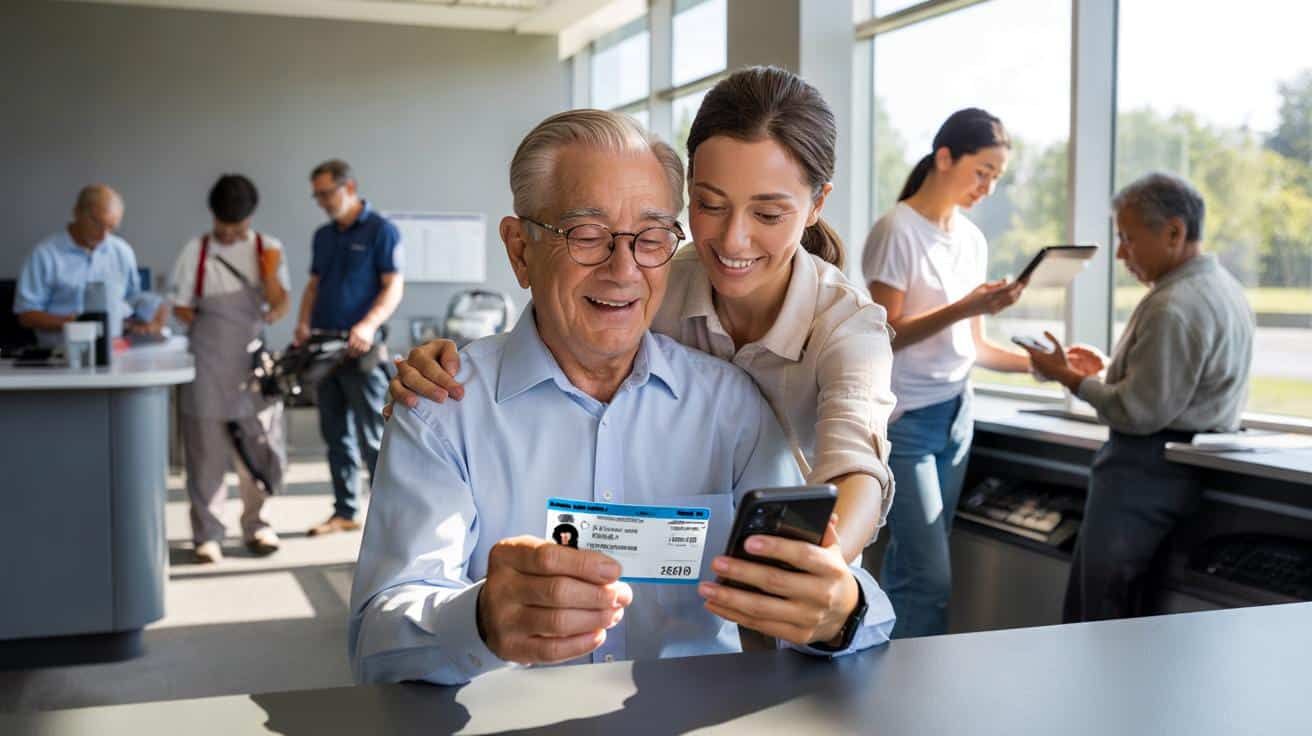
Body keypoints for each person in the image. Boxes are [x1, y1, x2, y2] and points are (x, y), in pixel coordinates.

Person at [349, 109, 894, 685]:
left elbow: (841, 589)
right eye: (586, 236)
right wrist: (477, 620)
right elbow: (377, 637)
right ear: (519, 249)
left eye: (652, 238)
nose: (624, 269)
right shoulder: (444, 409)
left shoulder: (733, 410)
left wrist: (838, 610)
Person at [389, 66, 896, 568]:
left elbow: (856, 466)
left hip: (799, 544)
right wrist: (453, 374)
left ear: (816, 205)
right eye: (709, 204)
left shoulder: (846, 328)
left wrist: (825, 569)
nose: (732, 239)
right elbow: (561, 306)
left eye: (767, 215)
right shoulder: (656, 269)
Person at [1021, 172, 1254, 622]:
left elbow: (1139, 410)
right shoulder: (1225, 290)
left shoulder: (1174, 305)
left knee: (1101, 611)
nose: (1121, 253)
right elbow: (1180, 388)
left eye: (1128, 238)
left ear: (1173, 232)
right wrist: (1109, 371)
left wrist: (1068, 378)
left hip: (1142, 475)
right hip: (1186, 472)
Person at [862, 108, 1033, 639]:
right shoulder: (896, 230)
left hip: (959, 412)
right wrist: (963, 307)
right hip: (907, 421)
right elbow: (887, 332)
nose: (987, 186)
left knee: (916, 565)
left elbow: (973, 346)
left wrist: (1044, 367)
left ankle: (887, 670)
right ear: (944, 157)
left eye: (996, 178)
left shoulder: (972, 240)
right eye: (982, 171)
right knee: (929, 575)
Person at [169, 174, 292, 563]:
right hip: (207, 362)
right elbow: (182, 307)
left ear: (250, 219)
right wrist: (212, 313)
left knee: (260, 445)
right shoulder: (197, 250)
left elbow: (278, 308)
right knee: (204, 450)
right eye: (223, 225)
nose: (229, 232)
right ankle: (207, 534)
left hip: (251, 364)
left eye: (236, 226)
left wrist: (269, 275)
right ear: (213, 215)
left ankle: (259, 526)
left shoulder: (267, 249)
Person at [295, 159, 404, 537]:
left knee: (374, 435)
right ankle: (345, 511)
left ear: (350, 187)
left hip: (362, 351)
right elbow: (313, 285)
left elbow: (393, 285)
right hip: (325, 351)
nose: (323, 201)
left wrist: (369, 325)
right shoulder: (323, 236)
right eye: (317, 195)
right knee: (335, 434)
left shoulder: (381, 231)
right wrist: (302, 322)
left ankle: (389, 520)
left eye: (327, 193)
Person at [14, 185, 167, 346]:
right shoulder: (44, 255)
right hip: (60, 355)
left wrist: (152, 311)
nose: (103, 235)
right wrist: (70, 324)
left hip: (114, 351)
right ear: (77, 212)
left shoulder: (122, 251)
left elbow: (131, 299)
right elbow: (26, 315)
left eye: (111, 227)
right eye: (97, 223)